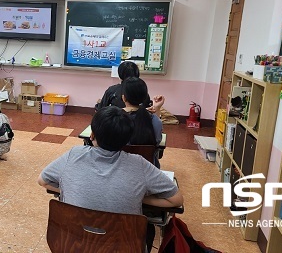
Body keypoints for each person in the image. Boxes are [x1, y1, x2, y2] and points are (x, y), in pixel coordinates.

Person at [38, 106, 183, 252]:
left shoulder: (74, 154)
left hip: (71, 245)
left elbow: (43, 181)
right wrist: (138, 197)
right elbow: (176, 200)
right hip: (124, 248)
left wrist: (70, 186)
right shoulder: (139, 164)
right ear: (127, 139)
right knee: (148, 229)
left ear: (92, 135)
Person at [95, 61, 165, 116]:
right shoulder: (142, 91)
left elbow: (100, 110)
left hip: (116, 126)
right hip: (140, 126)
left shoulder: (112, 90)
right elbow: (149, 111)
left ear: (124, 98)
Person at [122, 77, 163, 167]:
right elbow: (157, 142)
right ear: (145, 97)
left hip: (119, 168)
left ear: (124, 98)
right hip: (148, 169)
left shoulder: (112, 118)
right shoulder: (154, 121)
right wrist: (157, 108)